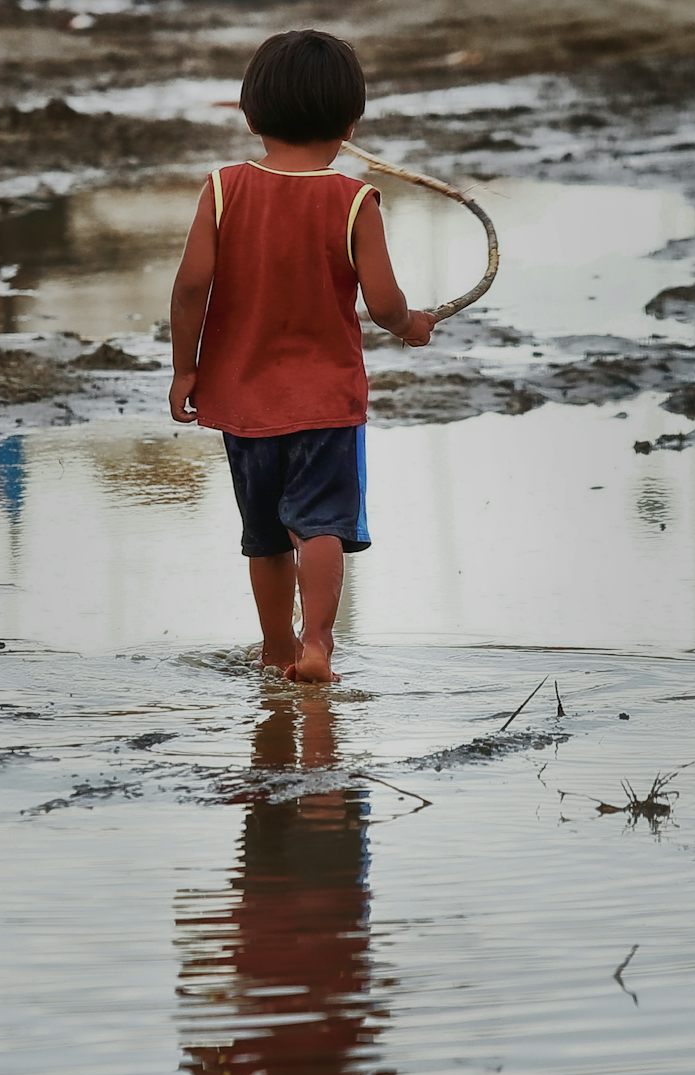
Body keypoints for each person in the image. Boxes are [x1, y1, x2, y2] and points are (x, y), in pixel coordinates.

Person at [168, 28, 434, 684]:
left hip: (242, 401)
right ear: (350, 123)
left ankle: (274, 647)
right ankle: (317, 645)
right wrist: (412, 325)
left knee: (262, 536)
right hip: (323, 403)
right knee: (319, 527)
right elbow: (383, 301)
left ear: (250, 115)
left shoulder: (223, 189)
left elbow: (191, 286)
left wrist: (184, 367)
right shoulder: (353, 201)